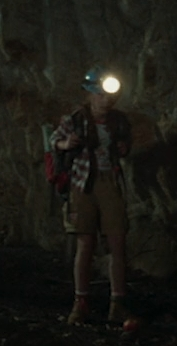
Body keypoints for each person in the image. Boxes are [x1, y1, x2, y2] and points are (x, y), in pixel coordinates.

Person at [51, 66, 155, 325]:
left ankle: (117, 304)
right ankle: (81, 303)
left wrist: (123, 147)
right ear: (90, 95)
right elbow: (54, 141)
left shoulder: (118, 121)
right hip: (82, 184)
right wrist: (67, 143)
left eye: (109, 96)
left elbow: (125, 147)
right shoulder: (75, 120)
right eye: (100, 95)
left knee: (117, 243)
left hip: (110, 183)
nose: (105, 100)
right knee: (85, 244)